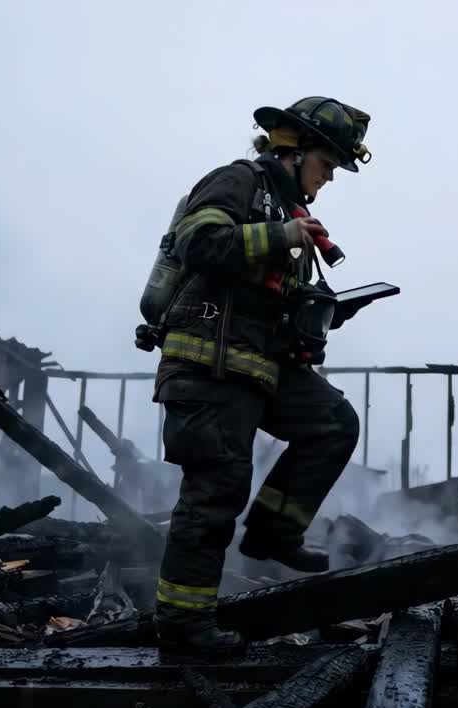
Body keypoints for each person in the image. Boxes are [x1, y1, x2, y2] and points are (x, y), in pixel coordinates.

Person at [149, 97, 374, 651]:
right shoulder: (239, 181)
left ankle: (274, 534)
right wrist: (280, 237)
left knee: (334, 424)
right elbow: (200, 244)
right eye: (327, 164)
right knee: (215, 491)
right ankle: (183, 625)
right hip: (208, 365)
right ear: (294, 150)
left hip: (256, 366)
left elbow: (265, 298)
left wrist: (317, 315)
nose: (329, 178)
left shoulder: (287, 210)